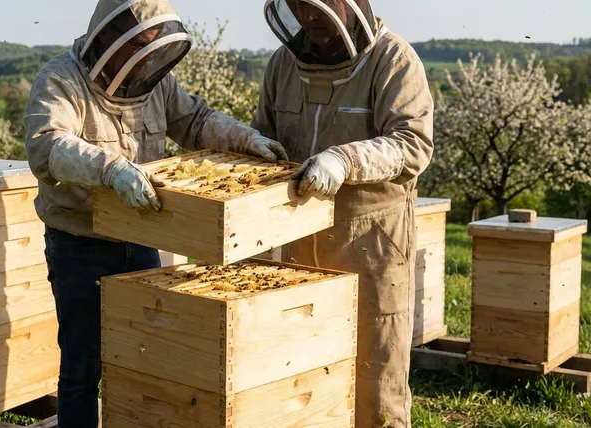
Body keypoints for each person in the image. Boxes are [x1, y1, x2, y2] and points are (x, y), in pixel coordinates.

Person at [22, 0, 287, 426]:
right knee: (82, 368)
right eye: (140, 48)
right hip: (80, 245)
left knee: (146, 358)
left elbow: (196, 121)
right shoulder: (61, 80)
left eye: (152, 49)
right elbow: (45, 144)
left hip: (142, 238)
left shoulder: (154, 83)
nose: (147, 60)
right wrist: (109, 169)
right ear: (109, 39)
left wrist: (246, 139)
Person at [254, 1, 434, 426]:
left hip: (371, 243)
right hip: (298, 239)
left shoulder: (393, 60)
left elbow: (413, 143)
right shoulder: (283, 64)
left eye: (319, 5)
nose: (308, 16)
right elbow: (264, 131)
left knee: (376, 373)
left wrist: (345, 160)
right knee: (304, 378)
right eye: (299, 5)